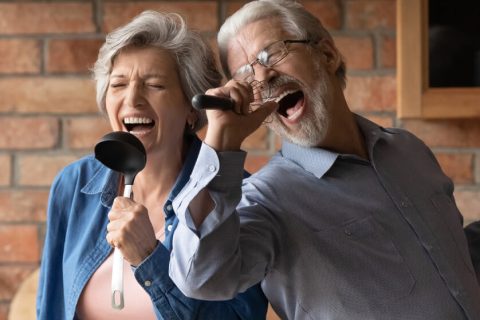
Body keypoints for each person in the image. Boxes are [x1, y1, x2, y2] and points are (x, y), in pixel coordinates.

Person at [167, 0, 480, 319]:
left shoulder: (409, 150)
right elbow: (200, 278)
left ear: (327, 54)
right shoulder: (265, 201)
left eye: (272, 53)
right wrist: (222, 142)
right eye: (245, 74)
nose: (262, 76)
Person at [36, 10, 268, 320]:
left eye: (154, 85)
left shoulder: (239, 194)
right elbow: (49, 306)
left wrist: (148, 256)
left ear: (190, 108)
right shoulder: (75, 184)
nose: (133, 99)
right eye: (118, 85)